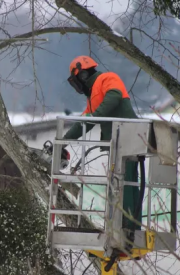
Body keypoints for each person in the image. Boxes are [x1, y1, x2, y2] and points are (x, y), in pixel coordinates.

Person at [62, 55, 141, 231]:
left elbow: (115, 96)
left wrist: (96, 116)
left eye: (77, 80)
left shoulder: (108, 78)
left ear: (81, 75)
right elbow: (84, 123)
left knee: (127, 184)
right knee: (117, 185)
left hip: (129, 139)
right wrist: (62, 142)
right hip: (117, 145)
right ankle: (120, 225)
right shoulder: (92, 98)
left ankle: (129, 229)